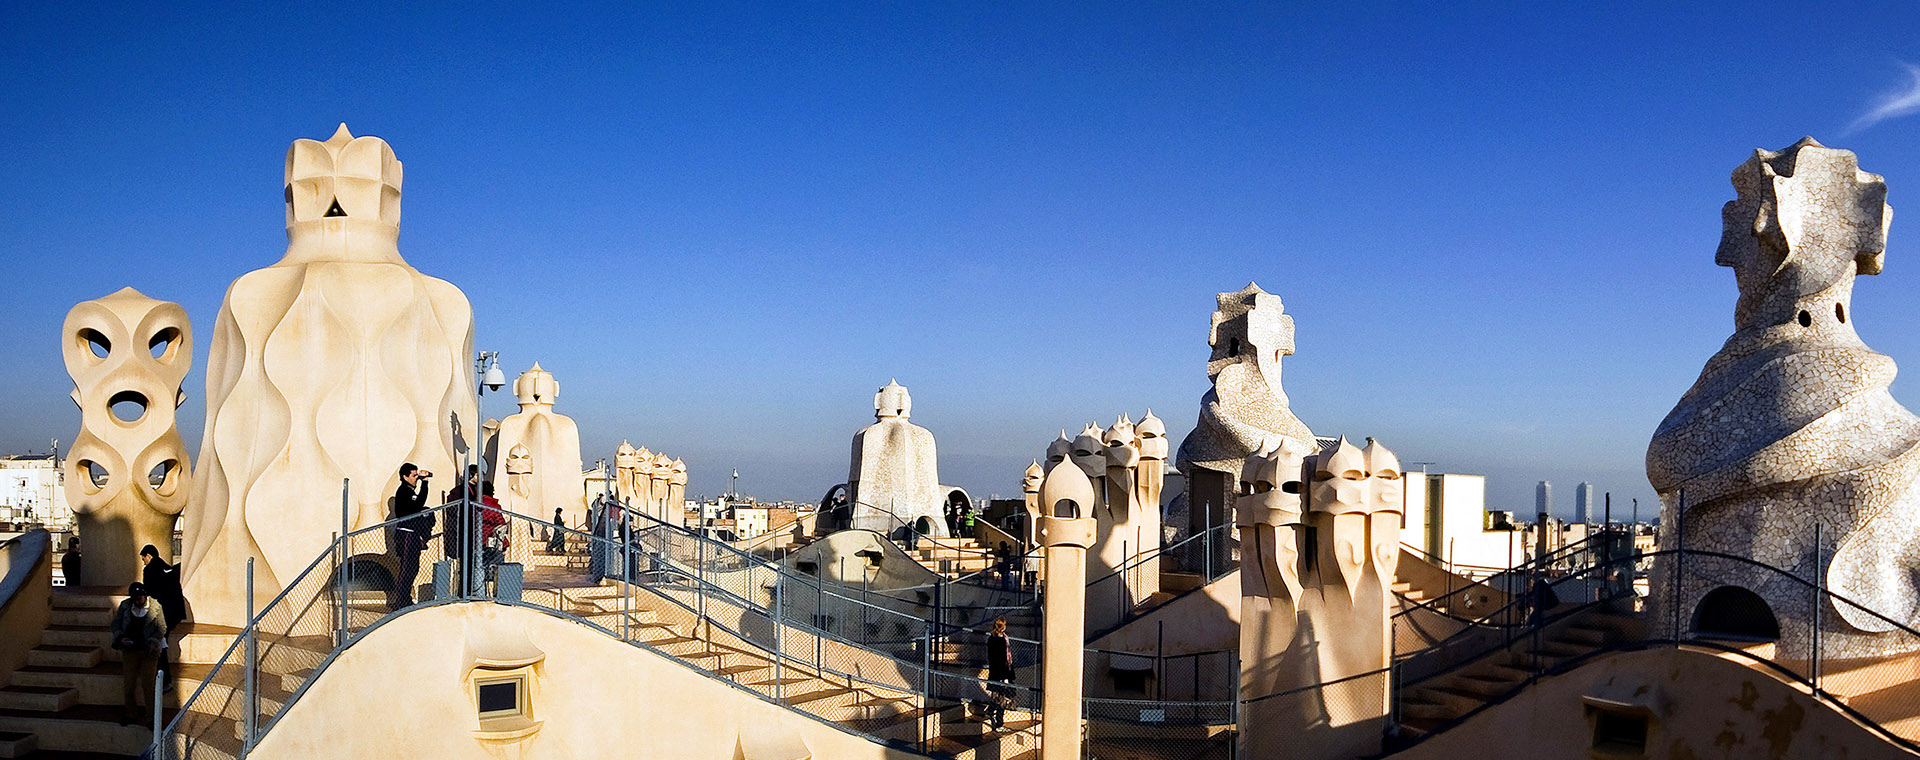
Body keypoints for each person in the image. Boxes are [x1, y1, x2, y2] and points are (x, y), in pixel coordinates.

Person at [110, 581, 167, 725]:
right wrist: (121, 637)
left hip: (148, 651)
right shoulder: (125, 606)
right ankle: (131, 714)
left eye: (139, 598)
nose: (137, 601)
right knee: (128, 685)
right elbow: (116, 623)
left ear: (145, 596)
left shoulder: (156, 607)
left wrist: (153, 641)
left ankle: (151, 718)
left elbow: (161, 628)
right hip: (130, 650)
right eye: (134, 598)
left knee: (148, 687)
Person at [138, 545, 186, 688]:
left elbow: (150, 593)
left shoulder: (150, 570)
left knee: (158, 645)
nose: (143, 562)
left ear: (148, 556)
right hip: (175, 613)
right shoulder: (167, 567)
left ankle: (164, 681)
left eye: (143, 559)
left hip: (163, 614)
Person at [390, 463, 433, 610]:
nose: (416, 478)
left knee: (413, 567)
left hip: (413, 533)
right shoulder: (404, 491)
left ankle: (405, 597)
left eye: (417, 475)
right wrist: (425, 483)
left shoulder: (410, 491)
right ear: (405, 476)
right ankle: (401, 599)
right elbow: (418, 504)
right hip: (406, 533)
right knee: (407, 567)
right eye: (414, 476)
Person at [985, 617, 1016, 730]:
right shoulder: (1001, 640)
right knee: (1002, 699)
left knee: (998, 697)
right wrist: (1005, 677)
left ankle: (993, 712)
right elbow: (1002, 659)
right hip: (1002, 674)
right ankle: (999, 722)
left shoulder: (992, 638)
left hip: (995, 673)